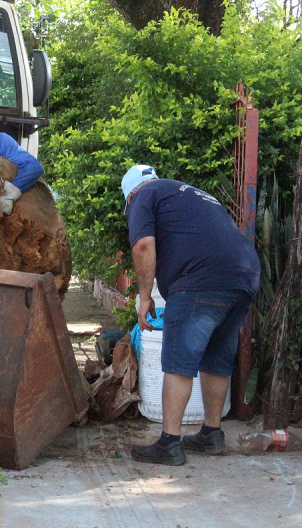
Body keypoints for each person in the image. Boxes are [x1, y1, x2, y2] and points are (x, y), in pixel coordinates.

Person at [122, 164, 260, 466]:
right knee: (217, 356)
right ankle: (211, 434)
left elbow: (144, 245)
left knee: (178, 359)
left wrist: (144, 298)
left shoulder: (142, 196)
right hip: (245, 275)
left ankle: (169, 443)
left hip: (200, 279)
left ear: (129, 194)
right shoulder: (190, 194)